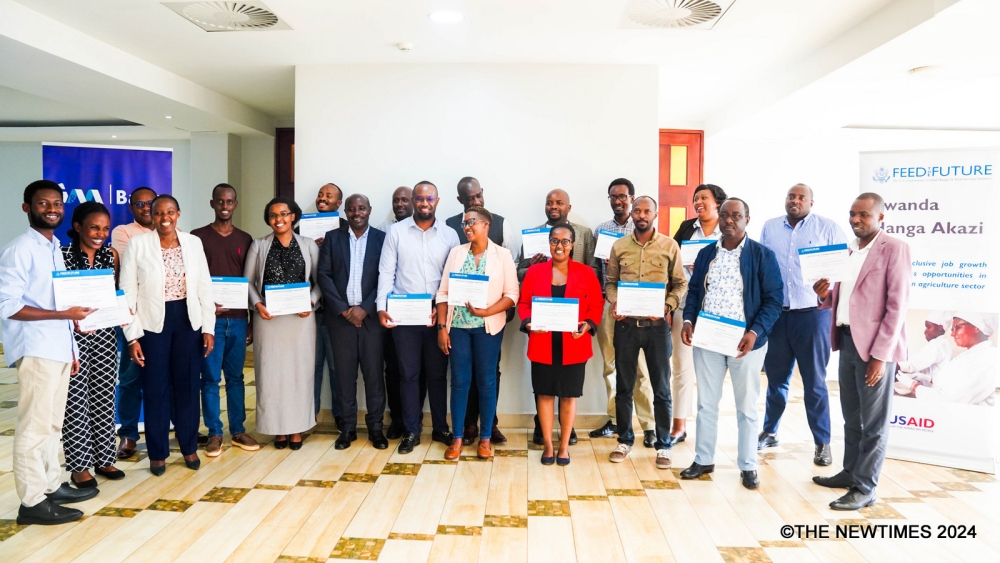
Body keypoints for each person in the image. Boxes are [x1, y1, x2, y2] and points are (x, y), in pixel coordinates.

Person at [1, 180, 99, 525]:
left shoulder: (54, 247)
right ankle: (31, 503)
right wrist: (64, 317)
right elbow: (7, 305)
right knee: (33, 427)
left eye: (56, 203)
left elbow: (60, 302)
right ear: (27, 208)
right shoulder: (20, 249)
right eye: (44, 204)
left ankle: (50, 486)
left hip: (57, 348)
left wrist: (71, 347)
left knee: (52, 425)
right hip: (36, 347)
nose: (52, 209)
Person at [811, 192, 910, 510]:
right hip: (846, 340)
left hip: (876, 349)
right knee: (852, 417)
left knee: (874, 422)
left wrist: (881, 357)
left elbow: (897, 308)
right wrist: (822, 294)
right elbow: (841, 297)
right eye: (852, 214)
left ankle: (865, 488)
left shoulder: (895, 249)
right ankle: (851, 472)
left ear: (881, 217)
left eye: (863, 215)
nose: (855, 219)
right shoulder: (847, 250)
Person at [680, 198, 783, 490]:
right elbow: (696, 290)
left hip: (745, 343)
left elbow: (774, 300)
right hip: (709, 339)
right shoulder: (705, 254)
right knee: (706, 404)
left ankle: (748, 465)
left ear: (746, 219)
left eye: (736, 216)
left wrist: (755, 331)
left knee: (746, 407)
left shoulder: (762, 255)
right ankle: (703, 459)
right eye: (724, 215)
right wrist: (688, 321)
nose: (729, 220)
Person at [121, 195, 215, 476]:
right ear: (151, 214)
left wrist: (208, 327)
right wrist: (132, 337)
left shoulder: (193, 243)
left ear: (178, 214)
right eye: (159, 212)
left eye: (170, 212)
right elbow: (127, 292)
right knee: (155, 389)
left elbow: (204, 287)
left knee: (187, 387)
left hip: (188, 322)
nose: (165, 217)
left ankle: (188, 447)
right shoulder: (138, 245)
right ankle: (158, 454)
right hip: (151, 326)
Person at [758, 183, 847, 466]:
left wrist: (829, 285)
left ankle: (823, 443)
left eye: (800, 197)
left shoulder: (828, 228)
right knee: (775, 381)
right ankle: (770, 431)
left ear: (811, 202)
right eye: (790, 196)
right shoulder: (770, 228)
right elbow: (764, 268)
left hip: (813, 315)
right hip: (778, 316)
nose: (794, 201)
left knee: (815, 384)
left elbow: (843, 269)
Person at [377, 181, 460, 454]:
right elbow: (386, 273)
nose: (425, 203)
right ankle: (412, 431)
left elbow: (452, 279)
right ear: (413, 200)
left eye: (430, 198)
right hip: (404, 317)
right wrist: (381, 307)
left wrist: (443, 309)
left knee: (437, 375)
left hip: (438, 315)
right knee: (408, 375)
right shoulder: (396, 233)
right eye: (420, 198)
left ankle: (440, 428)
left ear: (437, 200)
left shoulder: (450, 235)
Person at [604, 196, 687, 468]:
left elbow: (680, 284)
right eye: (637, 210)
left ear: (655, 215)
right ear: (632, 214)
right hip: (626, 326)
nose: (641, 215)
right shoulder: (619, 246)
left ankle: (664, 446)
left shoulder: (669, 246)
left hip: (657, 328)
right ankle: (625, 440)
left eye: (646, 211)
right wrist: (615, 302)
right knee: (624, 386)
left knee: (662, 389)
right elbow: (611, 282)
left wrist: (667, 306)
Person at [436, 206, 519, 460]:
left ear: (486, 225)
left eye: (471, 222)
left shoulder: (502, 255)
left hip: (488, 328)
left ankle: (485, 438)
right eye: (464, 224)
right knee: (459, 382)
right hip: (458, 328)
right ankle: (458, 437)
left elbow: (512, 295)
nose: (467, 227)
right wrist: (442, 328)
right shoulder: (456, 253)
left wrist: (488, 312)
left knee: (487, 382)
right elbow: (443, 293)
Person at [519, 223, 603, 465]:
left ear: (572, 245)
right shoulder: (535, 272)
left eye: (565, 241)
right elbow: (524, 304)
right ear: (549, 243)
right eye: (555, 241)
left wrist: (588, 324)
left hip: (574, 345)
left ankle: (564, 446)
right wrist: (528, 323)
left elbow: (596, 306)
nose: (559, 246)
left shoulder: (586, 273)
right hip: (542, 342)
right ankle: (547, 445)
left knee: (568, 396)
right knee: (544, 395)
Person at [246, 197, 322, 450]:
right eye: (273, 215)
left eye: (284, 214)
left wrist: (310, 303)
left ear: (293, 217)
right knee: (270, 375)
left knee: (300, 374)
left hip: (301, 321)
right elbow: (247, 282)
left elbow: (319, 282)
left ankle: (297, 428)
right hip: (269, 320)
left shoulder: (309, 245)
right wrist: (258, 306)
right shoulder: (259, 245)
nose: (278, 219)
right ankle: (277, 430)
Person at [61, 202, 126, 488]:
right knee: (75, 401)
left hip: (104, 336)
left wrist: (124, 309)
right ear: (77, 227)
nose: (100, 233)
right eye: (94, 227)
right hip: (71, 337)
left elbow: (115, 294)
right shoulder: (61, 256)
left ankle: (104, 458)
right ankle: (79, 466)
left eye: (105, 228)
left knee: (103, 396)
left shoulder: (110, 256)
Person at [191, 183, 259, 457]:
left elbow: (251, 283)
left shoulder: (245, 239)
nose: (225, 206)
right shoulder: (197, 237)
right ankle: (215, 433)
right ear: (212, 204)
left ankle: (238, 430)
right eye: (220, 201)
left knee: (236, 378)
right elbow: (192, 280)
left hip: (239, 319)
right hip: (210, 321)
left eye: (230, 202)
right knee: (209, 378)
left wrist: (252, 321)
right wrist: (206, 308)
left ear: (236, 204)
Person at [589, 178, 658, 449]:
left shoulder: (643, 227)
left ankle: (649, 425)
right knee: (610, 366)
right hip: (610, 303)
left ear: (632, 198)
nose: (618, 201)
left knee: (640, 369)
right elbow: (596, 270)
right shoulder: (601, 230)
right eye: (613, 197)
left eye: (623, 196)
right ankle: (616, 420)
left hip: (638, 305)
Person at [317, 194, 389, 450]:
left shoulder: (382, 239)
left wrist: (365, 309)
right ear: (345, 212)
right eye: (351, 209)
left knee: (374, 376)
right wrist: (344, 310)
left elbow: (386, 277)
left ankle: (376, 429)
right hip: (340, 321)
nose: (356, 212)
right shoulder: (333, 238)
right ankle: (347, 429)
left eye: (361, 208)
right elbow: (323, 275)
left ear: (369, 210)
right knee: (344, 377)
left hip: (371, 321)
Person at [669, 183, 726, 446]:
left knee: (711, 369)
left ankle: (708, 426)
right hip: (685, 304)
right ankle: (678, 425)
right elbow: (672, 265)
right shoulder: (686, 228)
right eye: (696, 199)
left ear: (718, 203)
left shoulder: (728, 229)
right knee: (681, 366)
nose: (698, 202)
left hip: (717, 309)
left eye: (704, 198)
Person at [110, 186, 156, 460]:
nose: (146, 208)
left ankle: (163, 428)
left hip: (165, 315)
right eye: (140, 204)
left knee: (167, 377)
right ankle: (127, 434)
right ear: (131, 207)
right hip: (132, 314)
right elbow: (133, 265)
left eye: (151, 203)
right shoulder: (123, 232)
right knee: (129, 377)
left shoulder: (172, 230)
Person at [375, 186, 413, 438]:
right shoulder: (382, 230)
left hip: (421, 310)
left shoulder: (429, 230)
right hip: (392, 310)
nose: (399, 204)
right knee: (393, 368)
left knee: (415, 368)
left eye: (404, 200)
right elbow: (382, 272)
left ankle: (414, 419)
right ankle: (397, 417)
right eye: (395, 200)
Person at [896, 312, 996, 406]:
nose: (952, 334)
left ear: (977, 327)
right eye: (952, 329)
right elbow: (954, 382)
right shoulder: (971, 354)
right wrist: (929, 379)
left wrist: (913, 385)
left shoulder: (985, 359)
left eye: (957, 327)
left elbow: (947, 399)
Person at [312, 183, 346, 430]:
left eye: (329, 196)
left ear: (339, 203)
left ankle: (341, 418)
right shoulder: (299, 228)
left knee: (338, 368)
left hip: (338, 312)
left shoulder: (347, 229)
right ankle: (307, 417)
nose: (322, 199)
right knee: (311, 368)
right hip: (309, 312)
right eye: (320, 195)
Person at [897, 311, 954, 381]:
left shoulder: (937, 345)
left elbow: (910, 366)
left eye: (928, 327)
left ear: (940, 327)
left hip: (936, 388)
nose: (925, 331)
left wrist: (889, 364)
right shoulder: (944, 344)